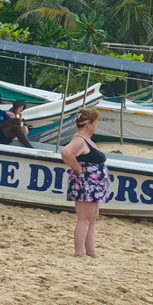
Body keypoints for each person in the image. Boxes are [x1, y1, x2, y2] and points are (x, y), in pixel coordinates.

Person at [60, 109, 110, 258]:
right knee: (85, 218)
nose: (96, 127)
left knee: (92, 217)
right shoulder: (79, 140)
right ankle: (80, 252)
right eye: (95, 123)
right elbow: (66, 152)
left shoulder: (86, 139)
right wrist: (78, 169)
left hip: (93, 185)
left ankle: (90, 251)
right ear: (88, 124)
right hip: (86, 184)